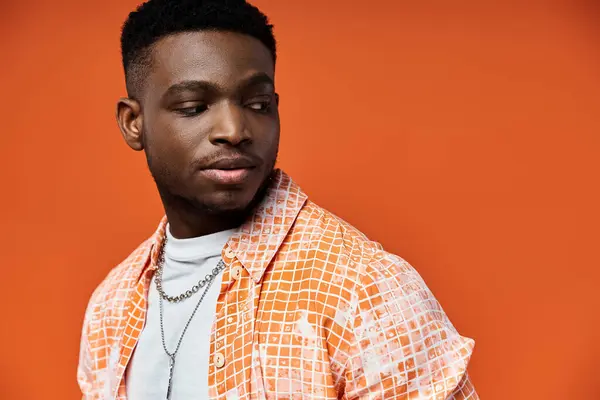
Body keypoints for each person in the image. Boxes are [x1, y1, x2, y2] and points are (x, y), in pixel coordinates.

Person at [77, 0, 478, 399]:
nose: (234, 130)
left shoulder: (364, 291)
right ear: (134, 123)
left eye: (257, 105)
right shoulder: (111, 305)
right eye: (193, 107)